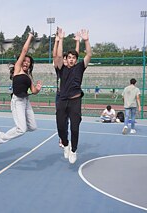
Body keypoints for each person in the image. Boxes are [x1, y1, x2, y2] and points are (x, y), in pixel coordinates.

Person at [0, 31, 42, 146]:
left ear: (30, 65)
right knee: (21, 129)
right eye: (24, 60)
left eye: (28, 62)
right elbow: (24, 51)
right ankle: (1, 138)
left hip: (26, 101)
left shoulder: (29, 76)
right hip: (17, 101)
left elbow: (33, 91)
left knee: (33, 127)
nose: (26, 63)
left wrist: (38, 88)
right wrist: (30, 37)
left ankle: (17, 128)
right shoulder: (17, 69)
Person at [53, 27, 92, 164]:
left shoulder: (80, 67)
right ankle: (65, 144)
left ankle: (74, 150)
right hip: (62, 101)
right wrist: (61, 40)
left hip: (75, 101)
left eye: (73, 58)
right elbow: (57, 57)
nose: (71, 59)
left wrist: (86, 40)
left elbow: (88, 55)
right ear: (66, 59)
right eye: (69, 57)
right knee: (61, 128)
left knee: (75, 128)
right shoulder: (61, 69)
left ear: (76, 60)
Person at [53, 31, 80, 149]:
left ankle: (68, 143)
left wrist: (78, 42)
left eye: (70, 58)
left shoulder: (72, 68)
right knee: (62, 122)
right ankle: (63, 139)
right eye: (66, 58)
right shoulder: (60, 68)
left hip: (71, 97)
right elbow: (56, 56)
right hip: (61, 96)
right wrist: (57, 41)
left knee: (71, 121)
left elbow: (75, 56)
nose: (68, 60)